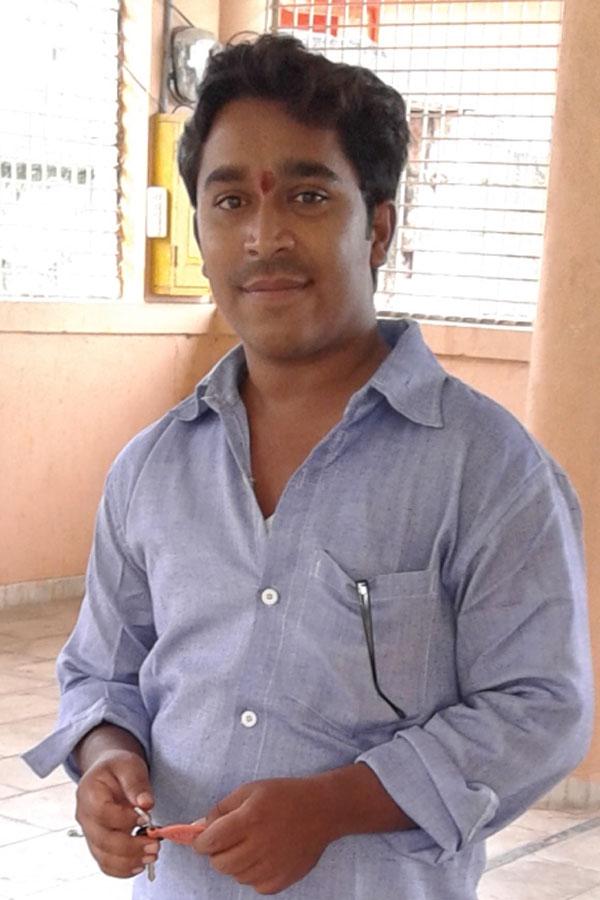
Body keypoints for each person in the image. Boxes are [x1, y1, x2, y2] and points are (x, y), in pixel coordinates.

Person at [24, 33, 593, 900]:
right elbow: (102, 671)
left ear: (379, 228)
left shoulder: (487, 472)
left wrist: (336, 806)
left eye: (308, 195)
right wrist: (106, 755)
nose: (264, 236)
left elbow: (540, 709)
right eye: (229, 201)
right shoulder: (151, 471)